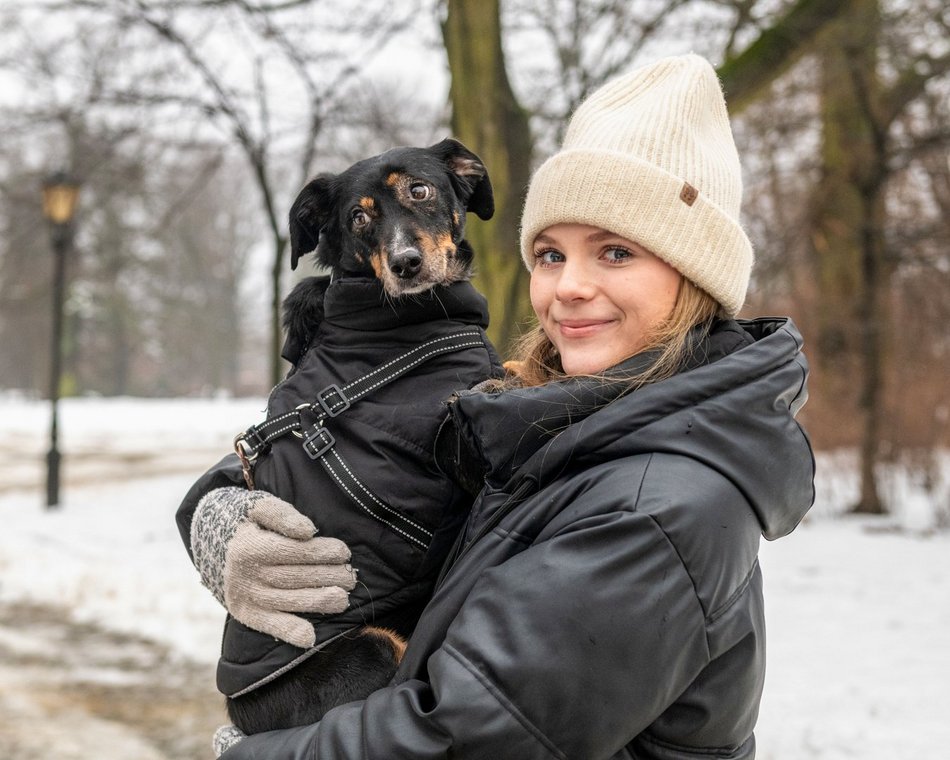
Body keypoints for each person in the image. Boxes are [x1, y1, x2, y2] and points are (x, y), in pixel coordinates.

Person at [180, 53, 815, 759]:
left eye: (614, 253)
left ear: (693, 271)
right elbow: (363, 459)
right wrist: (217, 509)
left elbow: (462, 738)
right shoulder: (555, 414)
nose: (569, 287)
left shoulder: (660, 509)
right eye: (549, 254)